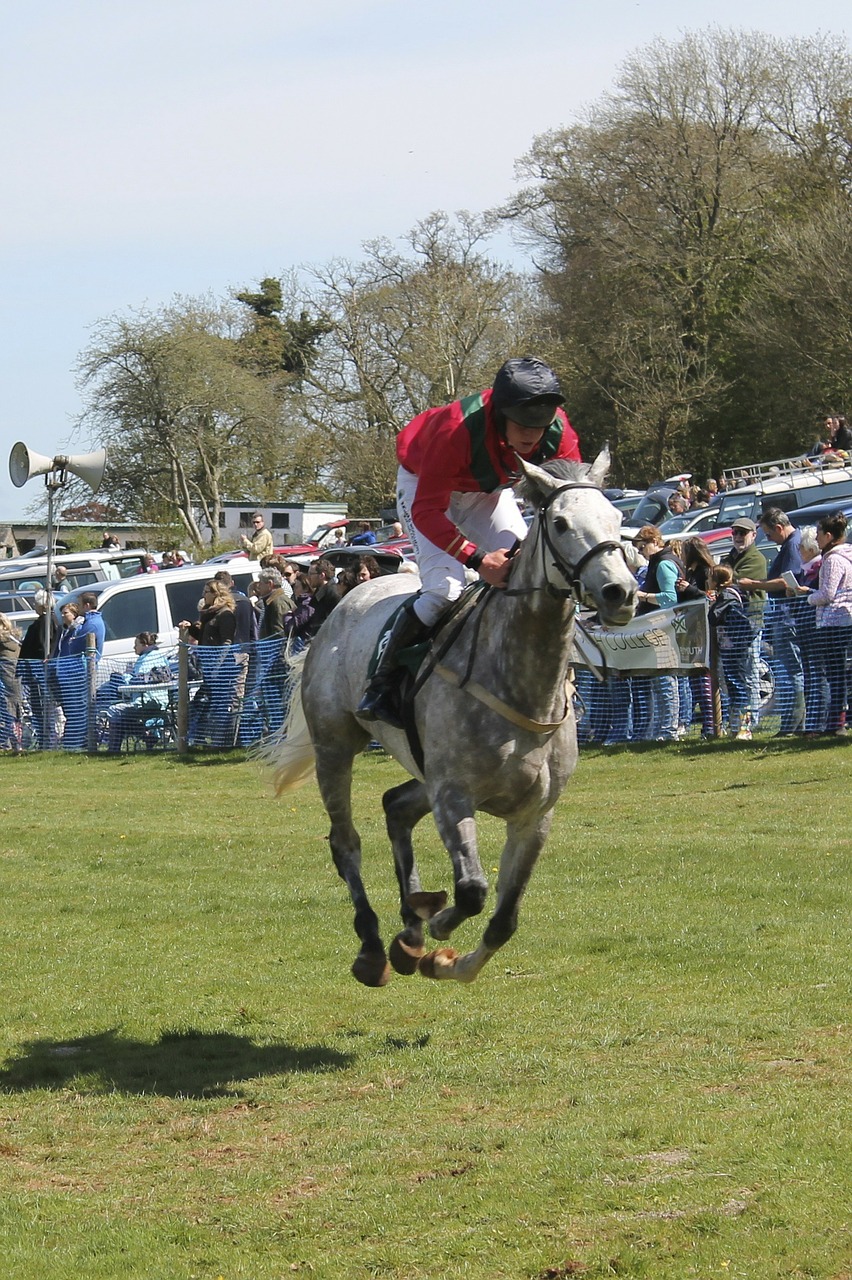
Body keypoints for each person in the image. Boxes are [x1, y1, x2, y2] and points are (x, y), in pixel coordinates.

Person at [358, 355, 580, 723]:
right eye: (522, 423)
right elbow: (427, 511)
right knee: (444, 590)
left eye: (540, 425)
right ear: (499, 414)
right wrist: (477, 560)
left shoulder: (561, 433)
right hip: (424, 487)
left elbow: (566, 500)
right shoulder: (456, 429)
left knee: (533, 572)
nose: (531, 434)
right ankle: (382, 683)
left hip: (487, 491)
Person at [738, 508, 805, 735]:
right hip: (784, 617)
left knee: (794, 672)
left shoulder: (793, 545)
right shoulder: (788, 545)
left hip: (790, 618)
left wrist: (754, 584)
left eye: (768, 533)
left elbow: (787, 582)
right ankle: (793, 722)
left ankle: (795, 723)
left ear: (778, 528)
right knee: (791, 672)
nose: (768, 538)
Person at [798, 511, 852, 735]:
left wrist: (807, 595)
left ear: (829, 535)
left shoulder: (832, 559)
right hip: (845, 619)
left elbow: (828, 595)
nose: (817, 538)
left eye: (819, 534)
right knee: (842, 673)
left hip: (833, 622)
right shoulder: (849, 554)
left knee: (835, 674)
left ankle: (836, 725)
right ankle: (838, 722)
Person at [633, 525, 682, 741]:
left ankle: (669, 729)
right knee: (661, 682)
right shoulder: (659, 562)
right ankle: (663, 729)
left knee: (666, 682)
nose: (642, 552)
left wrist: (643, 596)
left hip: (663, 627)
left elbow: (670, 598)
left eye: (643, 546)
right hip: (658, 627)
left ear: (654, 542)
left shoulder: (663, 564)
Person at [723, 518, 767, 731]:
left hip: (749, 623)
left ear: (753, 535)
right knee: (732, 675)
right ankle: (736, 722)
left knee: (750, 672)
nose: (739, 537)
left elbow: (731, 579)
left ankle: (751, 722)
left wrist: (723, 576)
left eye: (743, 532)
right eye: (735, 532)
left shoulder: (756, 558)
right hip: (729, 625)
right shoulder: (729, 557)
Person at [104, 632, 172, 753]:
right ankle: (148, 737)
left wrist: (125, 678)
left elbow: (138, 681)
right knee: (123, 717)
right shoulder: (161, 657)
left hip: (145, 703)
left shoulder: (144, 660)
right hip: (163, 703)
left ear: (144, 645)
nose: (134, 647)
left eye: (136, 644)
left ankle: (114, 749)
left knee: (114, 711)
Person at [708, 565, 754, 739]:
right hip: (729, 647)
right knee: (733, 686)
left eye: (710, 577)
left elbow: (713, 617)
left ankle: (743, 728)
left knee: (738, 685)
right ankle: (735, 727)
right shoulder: (726, 594)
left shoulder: (727, 595)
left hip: (735, 646)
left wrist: (712, 604)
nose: (707, 581)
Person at [17, 588, 56, 747]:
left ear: (43, 605)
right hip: (34, 672)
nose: (34, 605)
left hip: (38, 672)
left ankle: (47, 740)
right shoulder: (44, 621)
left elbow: (42, 646)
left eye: (36, 603)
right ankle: (43, 739)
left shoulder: (45, 622)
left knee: (42, 708)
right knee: (39, 708)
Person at [0, 613, 23, 752]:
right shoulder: (13, 639)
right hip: (15, 683)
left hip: (7, 684)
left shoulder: (3, 642)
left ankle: (9, 743)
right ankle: (15, 743)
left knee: (8, 711)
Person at [306, 559, 340, 635]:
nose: (308, 577)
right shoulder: (319, 591)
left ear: (322, 575)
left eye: (311, 574)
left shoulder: (333, 593)